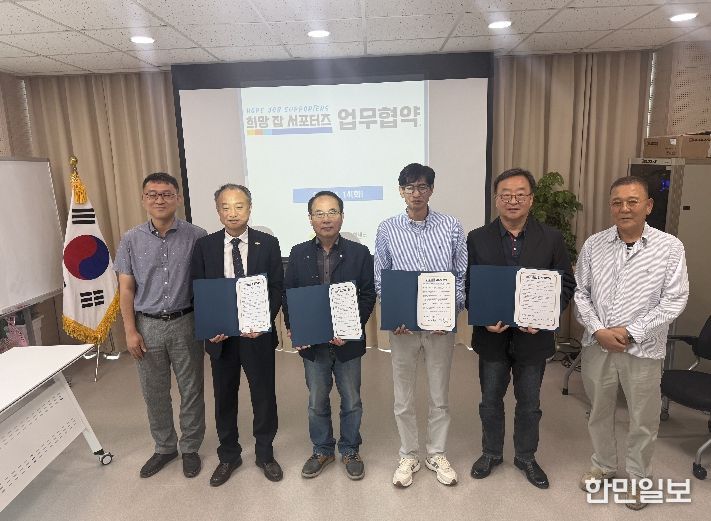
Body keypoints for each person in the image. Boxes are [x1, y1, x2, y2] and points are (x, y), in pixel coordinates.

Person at [575, 175, 688, 510]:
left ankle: (639, 479)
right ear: (610, 206)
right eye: (617, 202)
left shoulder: (670, 247)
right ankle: (603, 464)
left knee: (643, 418)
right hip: (597, 345)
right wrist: (599, 330)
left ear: (648, 206)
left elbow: (674, 299)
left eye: (632, 201)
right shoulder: (594, 244)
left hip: (643, 349)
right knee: (598, 411)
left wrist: (631, 332)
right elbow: (581, 294)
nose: (624, 208)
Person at [465, 168, 575, 489]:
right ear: (496, 199)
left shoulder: (551, 238)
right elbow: (468, 284)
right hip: (492, 338)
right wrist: (482, 316)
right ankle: (491, 452)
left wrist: (545, 316)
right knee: (490, 401)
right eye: (506, 195)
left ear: (531, 199)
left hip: (533, 339)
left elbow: (566, 283)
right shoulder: (477, 238)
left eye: (520, 194)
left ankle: (526, 456)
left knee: (529, 404)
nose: (513, 200)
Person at [374, 163, 467, 488]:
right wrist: (394, 313)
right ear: (401, 191)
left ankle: (436, 453)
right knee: (403, 396)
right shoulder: (387, 229)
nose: (416, 193)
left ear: (431, 190)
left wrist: (449, 314)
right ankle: (409, 454)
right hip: (403, 329)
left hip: (440, 328)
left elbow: (461, 274)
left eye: (422, 187)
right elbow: (381, 277)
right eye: (410, 187)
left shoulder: (451, 226)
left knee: (439, 394)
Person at [190, 184, 284, 486]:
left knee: (264, 396)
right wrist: (210, 327)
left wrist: (262, 320)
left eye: (239, 206)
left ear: (250, 208)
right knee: (224, 398)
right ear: (218, 211)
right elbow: (197, 290)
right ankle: (229, 455)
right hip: (222, 339)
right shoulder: (204, 246)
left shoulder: (267, 244)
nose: (233, 213)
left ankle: (265, 454)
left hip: (257, 337)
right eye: (226, 207)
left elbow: (276, 288)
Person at [115, 172, 206, 479]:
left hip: (186, 322)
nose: (159, 200)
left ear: (178, 198)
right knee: (154, 391)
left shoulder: (197, 236)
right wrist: (130, 331)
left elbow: (207, 284)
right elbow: (126, 289)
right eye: (152, 194)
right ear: (143, 200)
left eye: (166, 194)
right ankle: (165, 447)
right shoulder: (130, 239)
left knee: (191, 389)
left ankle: (190, 447)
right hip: (147, 325)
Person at [283, 190, 376, 480]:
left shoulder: (360, 253)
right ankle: (322, 449)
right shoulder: (297, 253)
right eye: (319, 213)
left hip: (348, 343)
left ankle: (350, 449)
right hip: (313, 343)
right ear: (310, 218)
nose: (326, 219)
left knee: (352, 400)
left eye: (332, 212)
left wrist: (351, 328)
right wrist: (295, 327)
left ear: (342, 217)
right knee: (316, 400)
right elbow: (289, 294)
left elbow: (368, 294)